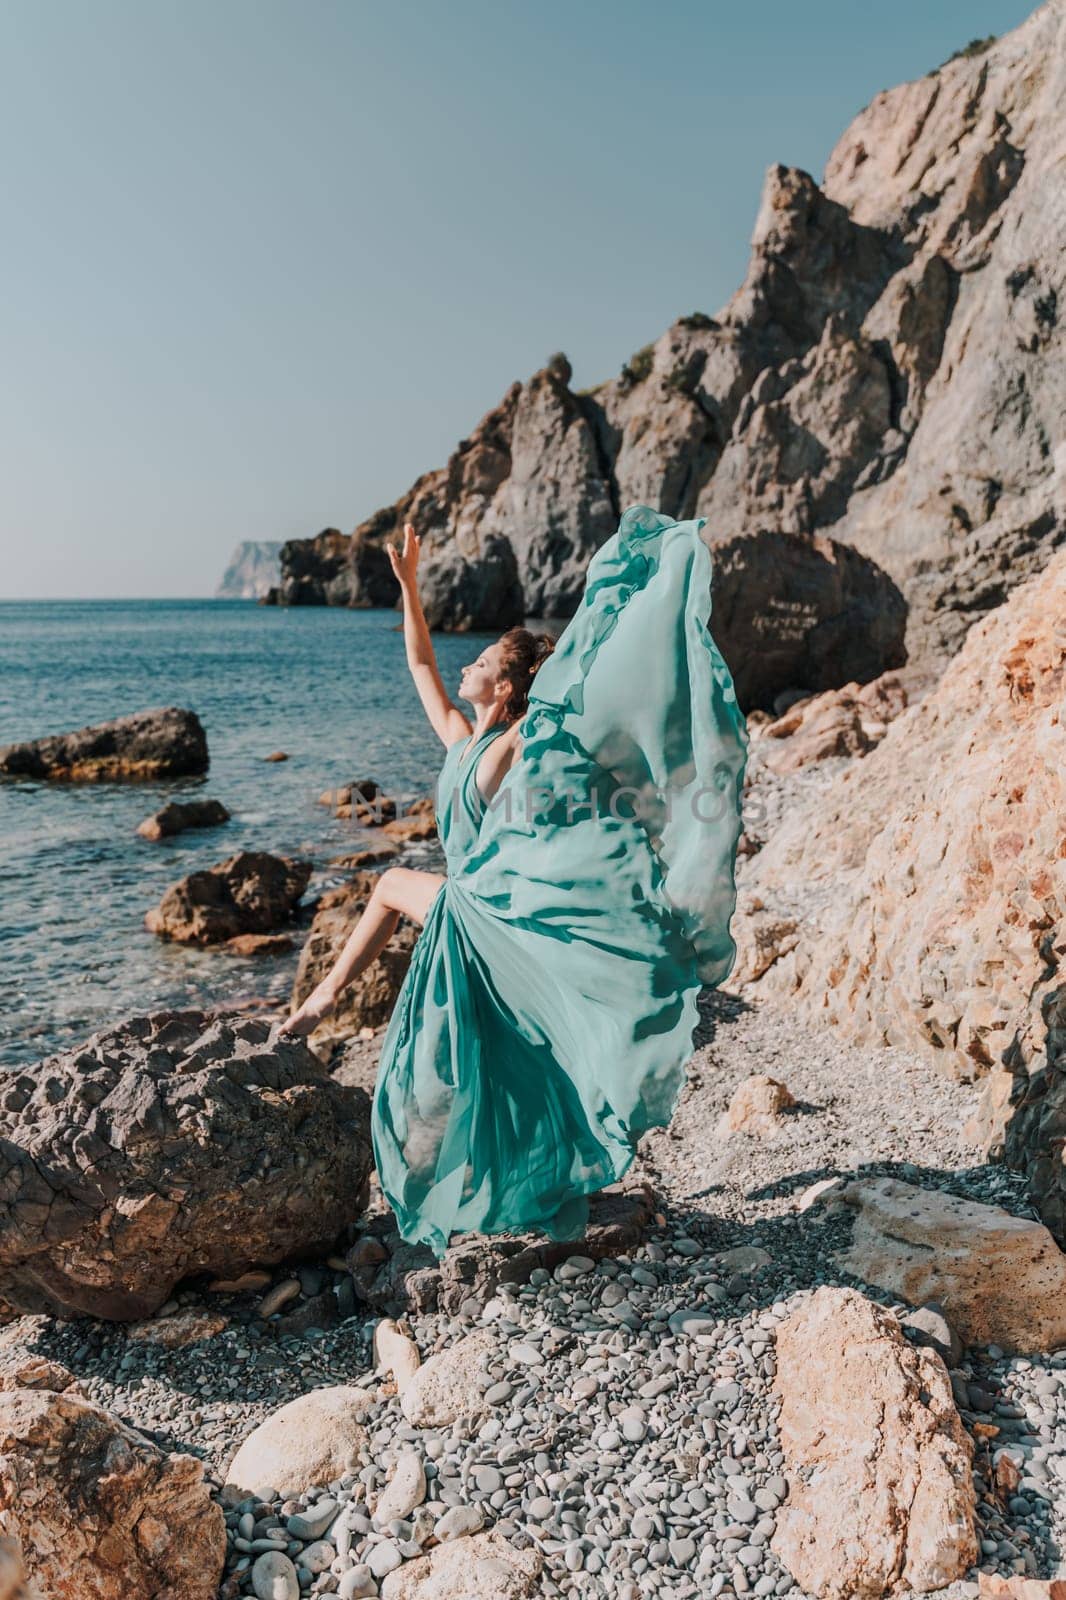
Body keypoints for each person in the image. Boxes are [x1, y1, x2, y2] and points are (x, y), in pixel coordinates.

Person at [281, 504, 748, 1260]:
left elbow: (569, 693)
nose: (470, 664)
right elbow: (423, 666)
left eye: (486, 661)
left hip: (482, 907)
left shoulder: (507, 748)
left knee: (406, 918)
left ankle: (325, 1003)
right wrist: (408, 587)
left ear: (502, 690)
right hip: (475, 906)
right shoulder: (461, 738)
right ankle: (502, 1177)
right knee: (494, 1059)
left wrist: (610, 616)